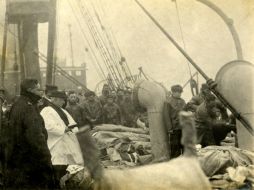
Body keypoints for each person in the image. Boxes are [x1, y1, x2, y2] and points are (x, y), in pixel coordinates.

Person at [5, 78, 54, 189]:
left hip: (17, 160)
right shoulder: (29, 107)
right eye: (38, 89)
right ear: (30, 90)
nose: (41, 92)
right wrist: (46, 158)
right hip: (31, 161)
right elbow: (35, 137)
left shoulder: (17, 104)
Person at [40, 90, 83, 187]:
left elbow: (72, 123)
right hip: (56, 143)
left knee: (69, 167)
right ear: (55, 99)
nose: (64, 102)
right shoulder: (47, 110)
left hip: (67, 142)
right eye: (62, 100)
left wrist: (74, 130)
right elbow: (47, 126)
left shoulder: (63, 111)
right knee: (58, 166)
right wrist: (64, 129)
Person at [163, 85, 186, 159]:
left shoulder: (183, 101)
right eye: (177, 92)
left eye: (180, 92)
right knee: (175, 148)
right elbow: (166, 116)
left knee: (184, 146)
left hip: (183, 127)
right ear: (173, 92)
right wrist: (170, 128)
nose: (179, 94)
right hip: (174, 129)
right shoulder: (168, 102)